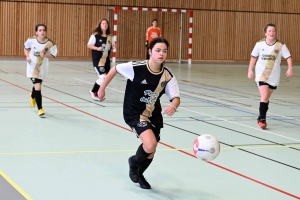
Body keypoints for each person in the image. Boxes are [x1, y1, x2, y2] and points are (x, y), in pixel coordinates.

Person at [98, 37, 180, 189]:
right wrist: (101, 88)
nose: (161, 54)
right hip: (134, 112)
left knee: (151, 151)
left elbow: (175, 97)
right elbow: (115, 69)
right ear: (150, 52)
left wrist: (173, 106)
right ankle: (134, 162)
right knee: (150, 144)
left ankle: (140, 174)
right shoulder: (136, 67)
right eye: (157, 50)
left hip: (153, 113)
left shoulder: (168, 75)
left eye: (164, 51)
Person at [248, 23, 292, 129]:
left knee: (267, 98)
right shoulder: (259, 44)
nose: (272, 33)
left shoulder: (281, 45)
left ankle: (260, 116)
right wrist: (250, 70)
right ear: (265, 33)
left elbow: (288, 57)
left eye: (274, 31)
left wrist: (290, 68)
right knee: (264, 96)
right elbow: (253, 57)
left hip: (274, 75)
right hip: (261, 74)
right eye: (270, 31)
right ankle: (262, 120)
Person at [24, 24, 58, 116]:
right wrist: (27, 56)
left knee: (37, 86)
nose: (42, 32)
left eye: (43, 30)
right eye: (40, 30)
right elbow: (26, 48)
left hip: (43, 67)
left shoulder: (50, 43)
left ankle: (32, 95)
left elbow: (54, 55)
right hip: (32, 67)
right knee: (38, 87)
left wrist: (45, 55)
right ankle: (40, 109)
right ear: (36, 32)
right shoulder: (31, 40)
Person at [87, 19, 114, 101]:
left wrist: (113, 46)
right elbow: (89, 45)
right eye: (103, 23)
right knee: (103, 77)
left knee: (105, 78)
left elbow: (109, 48)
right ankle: (93, 91)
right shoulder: (95, 35)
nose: (105, 25)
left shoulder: (110, 37)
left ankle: (99, 92)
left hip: (106, 61)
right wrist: (97, 48)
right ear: (100, 25)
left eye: (106, 23)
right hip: (98, 61)